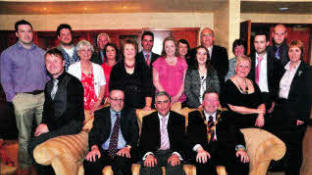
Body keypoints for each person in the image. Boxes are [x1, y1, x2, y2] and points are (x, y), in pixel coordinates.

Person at [0, 19, 49, 174]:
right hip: (22, 99)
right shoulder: (8, 54)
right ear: (16, 34)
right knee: (24, 137)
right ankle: (25, 168)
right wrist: (13, 98)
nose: (26, 34)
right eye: (22, 31)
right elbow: (5, 78)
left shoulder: (42, 53)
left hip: (42, 97)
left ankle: (44, 165)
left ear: (32, 33)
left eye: (29, 31)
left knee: (45, 134)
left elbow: (47, 76)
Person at [28, 48, 84, 175]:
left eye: (55, 61)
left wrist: (49, 127)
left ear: (63, 63)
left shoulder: (73, 83)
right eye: (48, 61)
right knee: (33, 136)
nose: (52, 64)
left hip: (72, 123)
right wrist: (42, 124)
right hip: (56, 123)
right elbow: (47, 109)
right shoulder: (48, 85)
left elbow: (72, 113)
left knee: (33, 145)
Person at [267, 40, 312, 175]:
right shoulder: (283, 68)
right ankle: (282, 169)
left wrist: (302, 116)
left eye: (297, 50)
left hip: (296, 113)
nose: (293, 53)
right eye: (291, 50)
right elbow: (277, 89)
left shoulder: (307, 70)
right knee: (282, 143)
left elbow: (308, 95)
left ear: (301, 53)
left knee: (294, 147)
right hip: (281, 110)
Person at [187, 90, 249, 175]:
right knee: (203, 160)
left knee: (242, 160)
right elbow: (190, 135)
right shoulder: (194, 115)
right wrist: (199, 150)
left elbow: (237, 134)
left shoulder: (226, 115)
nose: (212, 103)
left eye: (215, 100)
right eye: (209, 100)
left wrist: (241, 149)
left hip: (224, 149)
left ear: (218, 103)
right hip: (204, 149)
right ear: (203, 102)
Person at [84, 89, 139, 175]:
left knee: (122, 164)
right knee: (91, 162)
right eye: (115, 99)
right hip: (104, 151)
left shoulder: (130, 113)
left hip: (123, 150)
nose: (119, 102)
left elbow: (134, 134)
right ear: (109, 100)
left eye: (121, 99)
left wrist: (128, 147)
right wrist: (94, 148)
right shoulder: (101, 114)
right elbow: (94, 134)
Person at [139, 91, 186, 175]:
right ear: (155, 105)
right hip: (154, 152)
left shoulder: (179, 119)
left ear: (170, 104)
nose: (162, 106)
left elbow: (182, 141)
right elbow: (143, 141)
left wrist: (176, 154)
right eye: (159, 103)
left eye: (165, 102)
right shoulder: (148, 119)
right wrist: (149, 154)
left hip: (172, 152)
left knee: (174, 166)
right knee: (149, 166)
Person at [221, 56, 266, 129]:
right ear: (236, 68)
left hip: (256, 122)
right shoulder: (228, 85)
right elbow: (233, 107)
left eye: (246, 67)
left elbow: (261, 102)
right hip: (236, 124)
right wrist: (257, 111)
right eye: (241, 66)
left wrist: (260, 115)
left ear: (249, 69)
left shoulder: (252, 82)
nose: (243, 69)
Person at [109, 39, 153, 110]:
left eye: (132, 49)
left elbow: (149, 88)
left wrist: (147, 106)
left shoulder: (143, 67)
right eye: (127, 49)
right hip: (121, 107)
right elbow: (113, 89)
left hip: (141, 107)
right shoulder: (116, 68)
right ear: (123, 51)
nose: (129, 51)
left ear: (136, 51)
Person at [248, 30, 282, 114]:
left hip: (267, 98)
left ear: (267, 43)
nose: (258, 45)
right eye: (256, 42)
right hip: (250, 96)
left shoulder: (275, 62)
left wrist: (274, 101)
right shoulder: (247, 59)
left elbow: (277, 84)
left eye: (261, 42)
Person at [68, 40, 106, 113]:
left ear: (91, 52)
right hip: (78, 107)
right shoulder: (72, 68)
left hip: (96, 106)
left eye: (89, 50)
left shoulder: (98, 68)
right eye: (83, 50)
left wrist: (99, 101)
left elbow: (102, 86)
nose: (86, 53)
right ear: (78, 53)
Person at [153, 37, 188, 104]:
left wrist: (177, 96)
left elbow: (185, 82)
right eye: (167, 47)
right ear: (164, 48)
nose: (169, 49)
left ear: (175, 47)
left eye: (172, 46)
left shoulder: (182, 62)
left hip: (180, 100)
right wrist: (166, 96)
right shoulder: (158, 62)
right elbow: (156, 81)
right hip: (162, 100)